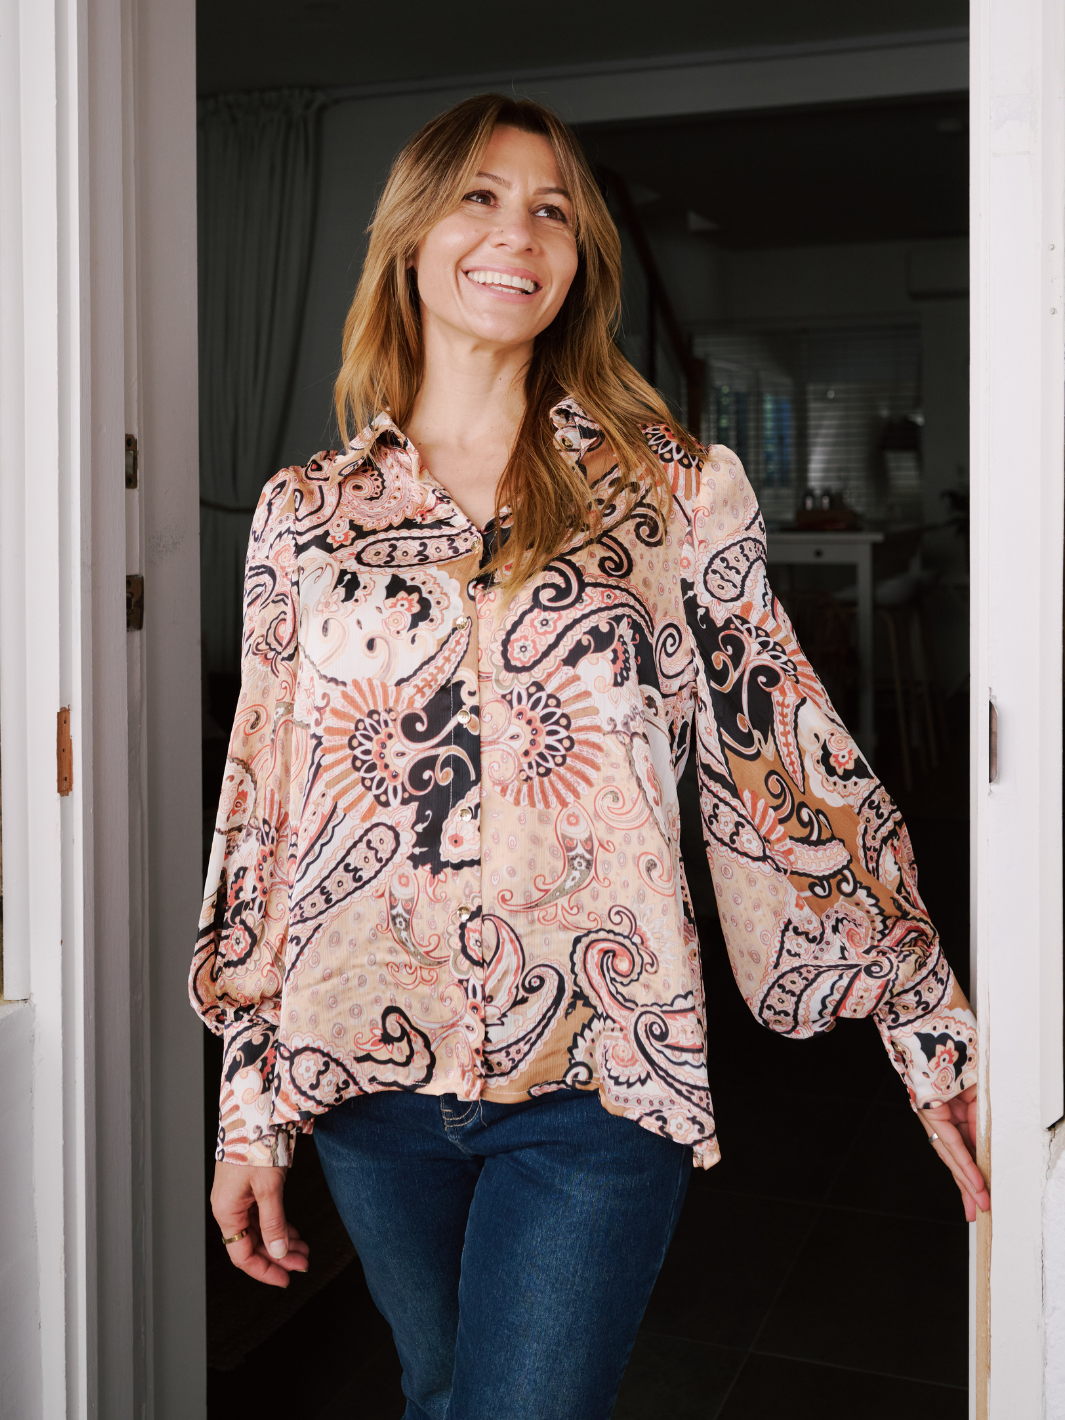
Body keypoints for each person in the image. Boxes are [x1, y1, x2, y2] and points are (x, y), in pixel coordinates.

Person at [191, 93, 989, 1420]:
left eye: (552, 209)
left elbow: (784, 759)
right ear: (410, 235)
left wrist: (925, 1029)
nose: (519, 232)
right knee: (439, 1392)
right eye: (481, 197)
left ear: (580, 261)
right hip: (366, 1075)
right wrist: (250, 1108)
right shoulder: (307, 515)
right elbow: (269, 817)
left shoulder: (671, 491)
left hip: (601, 1075)